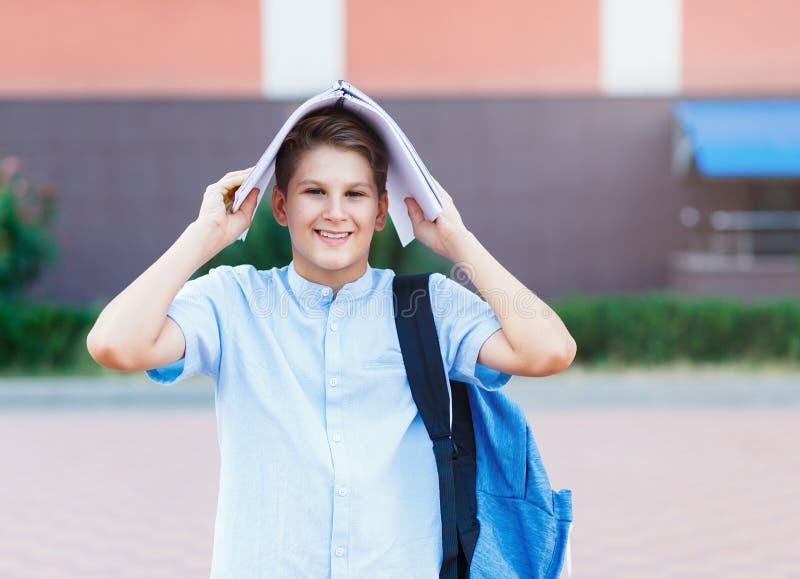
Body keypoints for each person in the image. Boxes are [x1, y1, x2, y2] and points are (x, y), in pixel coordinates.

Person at [86, 106, 577, 578]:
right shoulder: (233, 300)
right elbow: (114, 344)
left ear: (382, 210)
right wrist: (208, 233)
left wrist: (457, 240)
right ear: (281, 205)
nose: (335, 213)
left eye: (356, 194)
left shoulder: (431, 306)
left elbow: (550, 349)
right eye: (315, 191)